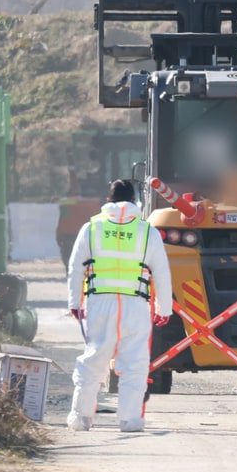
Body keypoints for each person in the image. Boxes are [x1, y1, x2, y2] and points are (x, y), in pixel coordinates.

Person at [66, 179, 172, 432]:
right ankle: (130, 420)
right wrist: (164, 308)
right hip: (136, 304)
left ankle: (81, 418)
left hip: (99, 302)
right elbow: (161, 272)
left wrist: (74, 302)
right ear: (135, 201)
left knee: (94, 359)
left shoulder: (91, 228)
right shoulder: (147, 232)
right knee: (134, 363)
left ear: (108, 200)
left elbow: (76, 268)